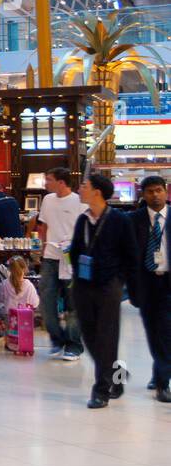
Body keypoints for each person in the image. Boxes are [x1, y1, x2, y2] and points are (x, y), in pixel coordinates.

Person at [68, 173, 138, 409]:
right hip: (83, 285)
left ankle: (101, 390)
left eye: (84, 186)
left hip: (109, 286)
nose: (80, 189)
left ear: (97, 191)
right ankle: (117, 377)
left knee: (106, 336)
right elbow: (76, 250)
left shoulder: (119, 220)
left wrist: (121, 281)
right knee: (89, 337)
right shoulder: (83, 220)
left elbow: (131, 254)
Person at [31, 166, 86, 360]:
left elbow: (85, 228)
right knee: (46, 300)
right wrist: (43, 247)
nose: (46, 183)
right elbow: (43, 225)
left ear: (61, 182)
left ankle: (74, 344)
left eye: (49, 180)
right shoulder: (47, 200)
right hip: (51, 257)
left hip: (71, 259)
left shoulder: (79, 201)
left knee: (73, 302)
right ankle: (57, 339)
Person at [127, 175, 171, 402]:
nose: (155, 195)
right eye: (150, 191)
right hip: (145, 284)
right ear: (143, 194)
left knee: (165, 331)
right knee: (154, 331)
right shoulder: (133, 220)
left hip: (168, 284)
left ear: (166, 191)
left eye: (159, 190)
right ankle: (159, 371)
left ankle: (163, 383)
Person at [0, 255, 40, 323]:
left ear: (9, 269)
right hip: (25, 321)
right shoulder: (29, 285)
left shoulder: (4, 284)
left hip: (9, 320)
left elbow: (0, 299)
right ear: (24, 268)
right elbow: (35, 304)